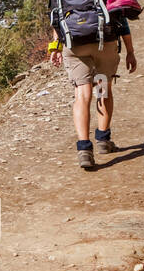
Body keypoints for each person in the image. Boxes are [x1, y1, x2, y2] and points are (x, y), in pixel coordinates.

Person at [48, 16, 137, 168]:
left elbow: (56, 17)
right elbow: (121, 19)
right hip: (104, 42)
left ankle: (84, 150)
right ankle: (103, 140)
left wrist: (56, 47)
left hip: (75, 45)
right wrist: (130, 51)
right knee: (103, 88)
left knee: (82, 94)